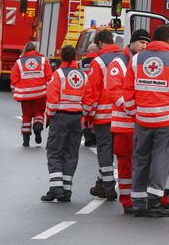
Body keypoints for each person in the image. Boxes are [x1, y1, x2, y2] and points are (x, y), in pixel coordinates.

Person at [123, 25, 169, 217]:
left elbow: (128, 89)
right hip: (167, 120)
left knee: (141, 160)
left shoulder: (136, 59)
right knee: (161, 161)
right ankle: (154, 202)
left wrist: (133, 112)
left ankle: (138, 203)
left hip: (142, 118)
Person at [107, 29, 150, 213]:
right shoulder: (119, 63)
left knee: (142, 164)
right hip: (124, 126)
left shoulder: (144, 62)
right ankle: (127, 200)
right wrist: (132, 108)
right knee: (125, 165)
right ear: (131, 43)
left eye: (147, 44)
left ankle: (141, 198)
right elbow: (113, 90)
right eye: (141, 42)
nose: (144, 46)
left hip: (141, 124)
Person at [41, 45, 87, 202]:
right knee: (71, 153)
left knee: (54, 152)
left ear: (62, 58)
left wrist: (49, 116)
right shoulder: (82, 75)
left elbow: (52, 100)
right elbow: (87, 99)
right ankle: (66, 190)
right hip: (76, 118)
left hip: (60, 117)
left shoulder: (58, 75)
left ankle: (56, 187)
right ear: (75, 58)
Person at [82, 29, 122, 200]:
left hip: (104, 114)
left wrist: (87, 114)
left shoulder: (98, 62)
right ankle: (101, 183)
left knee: (104, 149)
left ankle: (108, 186)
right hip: (122, 114)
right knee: (119, 150)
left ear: (99, 43)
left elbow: (92, 89)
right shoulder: (124, 58)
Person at [11, 41, 52, 147]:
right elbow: (49, 78)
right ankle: (38, 126)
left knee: (26, 115)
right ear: (35, 49)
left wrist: (16, 91)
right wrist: (47, 91)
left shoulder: (19, 62)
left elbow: (14, 80)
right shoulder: (44, 61)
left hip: (25, 94)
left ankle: (26, 138)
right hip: (40, 93)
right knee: (39, 112)